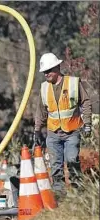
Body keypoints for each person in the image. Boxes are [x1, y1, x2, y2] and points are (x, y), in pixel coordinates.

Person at [34, 52, 91, 197]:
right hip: (53, 133)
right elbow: (41, 111)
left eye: (48, 70)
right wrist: (37, 130)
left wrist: (88, 124)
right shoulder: (44, 88)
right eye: (44, 72)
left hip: (72, 132)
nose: (46, 74)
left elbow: (86, 102)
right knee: (55, 167)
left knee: (72, 162)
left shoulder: (73, 83)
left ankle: (78, 196)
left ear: (57, 67)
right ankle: (59, 197)